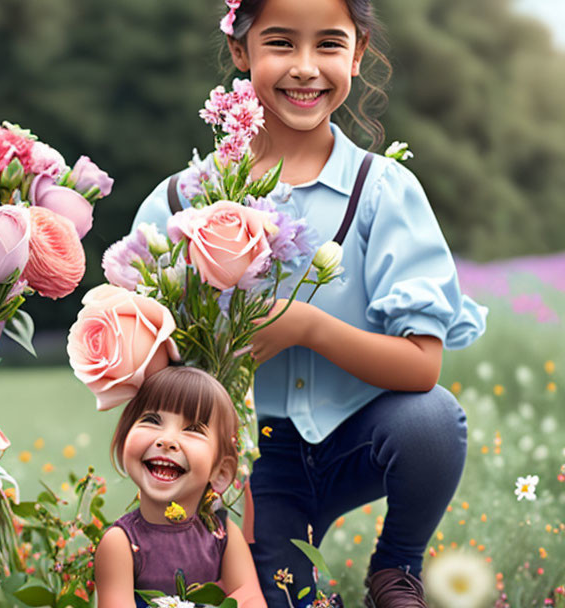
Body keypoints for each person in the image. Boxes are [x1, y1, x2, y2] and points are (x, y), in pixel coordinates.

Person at [130, 0, 489, 606]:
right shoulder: (179, 204)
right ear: (241, 53)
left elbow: (423, 366)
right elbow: (151, 368)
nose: (305, 67)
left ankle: (395, 568)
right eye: (279, 43)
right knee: (275, 594)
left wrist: (308, 326)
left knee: (432, 421)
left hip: (359, 435)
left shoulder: (383, 192)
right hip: (252, 468)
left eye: (328, 44)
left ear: (358, 52)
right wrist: (215, 470)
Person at [93, 366, 268, 608]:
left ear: (221, 472)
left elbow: (250, 597)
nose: (167, 440)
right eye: (152, 420)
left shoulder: (223, 535)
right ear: (124, 440)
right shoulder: (120, 543)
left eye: (193, 429)